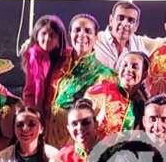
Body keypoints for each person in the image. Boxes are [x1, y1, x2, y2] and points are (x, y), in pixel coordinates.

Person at [47, 14, 116, 149]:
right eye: (77, 30)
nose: (82, 35)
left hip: (73, 143)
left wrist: (75, 147)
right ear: (70, 34)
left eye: (88, 31)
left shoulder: (104, 75)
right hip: (46, 138)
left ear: (96, 37)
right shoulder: (58, 63)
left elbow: (97, 118)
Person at [20, 14, 76, 147]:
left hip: (60, 113)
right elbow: (32, 90)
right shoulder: (33, 55)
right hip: (37, 108)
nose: (47, 39)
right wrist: (34, 114)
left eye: (52, 35)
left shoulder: (68, 57)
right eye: (43, 34)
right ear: (36, 35)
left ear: (59, 39)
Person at [85, 50, 150, 136]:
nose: (128, 69)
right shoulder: (101, 91)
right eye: (125, 65)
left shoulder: (142, 107)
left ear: (144, 75)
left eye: (135, 67)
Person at [93, 0, 165, 70]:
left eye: (131, 20)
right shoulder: (95, 40)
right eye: (120, 18)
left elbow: (164, 42)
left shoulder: (140, 44)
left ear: (136, 26)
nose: (125, 23)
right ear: (111, 20)